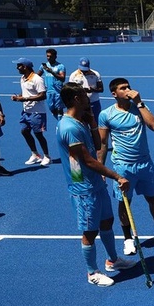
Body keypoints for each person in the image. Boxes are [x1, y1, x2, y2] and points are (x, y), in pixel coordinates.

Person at [55, 82, 137, 287]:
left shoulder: (80, 121)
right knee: (90, 231)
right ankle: (92, 272)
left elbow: (98, 144)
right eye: (84, 94)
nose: (87, 97)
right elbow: (88, 160)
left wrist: (92, 122)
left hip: (94, 182)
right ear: (75, 99)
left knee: (107, 221)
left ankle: (113, 260)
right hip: (83, 187)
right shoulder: (69, 127)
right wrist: (117, 176)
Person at [98, 78, 154, 257]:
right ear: (114, 94)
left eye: (128, 87)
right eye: (123, 88)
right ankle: (127, 239)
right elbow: (102, 143)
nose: (128, 90)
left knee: (152, 198)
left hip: (145, 163)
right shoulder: (106, 115)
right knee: (125, 203)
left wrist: (139, 103)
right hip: (122, 166)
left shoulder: (139, 109)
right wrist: (101, 168)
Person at [11, 57, 52, 166]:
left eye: (19, 65)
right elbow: (26, 93)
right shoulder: (23, 78)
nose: (17, 68)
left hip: (37, 112)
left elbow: (42, 96)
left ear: (25, 67)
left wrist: (24, 99)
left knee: (38, 134)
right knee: (24, 131)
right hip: (26, 111)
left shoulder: (37, 79)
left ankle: (47, 156)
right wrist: (19, 97)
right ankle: (35, 154)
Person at [39, 48, 65, 121]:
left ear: (55, 57)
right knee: (52, 109)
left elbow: (62, 78)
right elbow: (37, 76)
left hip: (58, 92)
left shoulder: (60, 66)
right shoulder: (44, 66)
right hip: (48, 91)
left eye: (50, 56)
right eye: (47, 56)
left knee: (59, 109)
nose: (48, 58)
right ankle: (63, 121)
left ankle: (61, 124)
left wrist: (52, 72)